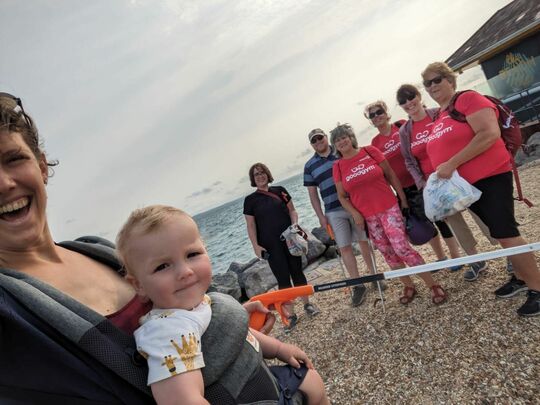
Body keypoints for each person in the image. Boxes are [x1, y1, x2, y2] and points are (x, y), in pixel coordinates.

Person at [0, 93, 297, 403]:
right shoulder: (9, 308)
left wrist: (218, 320)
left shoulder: (95, 249)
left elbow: (169, 324)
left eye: (14, 159)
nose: (4, 183)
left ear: (42, 166)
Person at [116, 205, 330, 405]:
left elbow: (237, 334)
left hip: (257, 376)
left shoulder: (194, 305)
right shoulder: (169, 331)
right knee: (314, 386)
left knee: (312, 380)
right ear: (139, 286)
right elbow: (183, 398)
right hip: (248, 396)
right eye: (162, 266)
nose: (185, 272)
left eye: (192, 254)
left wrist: (279, 349)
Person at [421, 61, 540, 316]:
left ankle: (537, 288)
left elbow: (488, 133)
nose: (432, 86)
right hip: (469, 186)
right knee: (500, 233)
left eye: (436, 80)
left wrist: (451, 163)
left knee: (507, 233)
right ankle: (520, 278)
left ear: (449, 79)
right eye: (427, 83)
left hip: (491, 176)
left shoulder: (467, 99)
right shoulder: (442, 113)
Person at [330, 123, 447, 305]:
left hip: (389, 207)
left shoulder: (369, 151)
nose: (342, 141)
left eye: (344, 137)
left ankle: (432, 284)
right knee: (388, 253)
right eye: (337, 140)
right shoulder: (338, 166)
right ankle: (408, 285)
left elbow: (391, 175)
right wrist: (355, 214)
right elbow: (342, 196)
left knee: (401, 248)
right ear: (335, 146)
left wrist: (403, 200)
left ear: (351, 137)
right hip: (368, 217)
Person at [395, 84, 497, 280]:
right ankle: (476, 260)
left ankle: (505, 251)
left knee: (481, 213)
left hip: (457, 174)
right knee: (456, 223)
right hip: (435, 184)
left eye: (411, 97)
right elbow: (409, 160)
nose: (409, 103)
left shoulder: (438, 114)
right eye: (403, 101)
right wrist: (422, 184)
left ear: (419, 96)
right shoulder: (405, 131)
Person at [304, 128, 378, 307]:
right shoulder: (309, 165)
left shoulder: (340, 152)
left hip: (354, 204)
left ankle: (374, 276)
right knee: (344, 247)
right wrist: (320, 216)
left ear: (326, 138)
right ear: (312, 144)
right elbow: (313, 194)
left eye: (320, 137)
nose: (318, 142)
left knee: (363, 242)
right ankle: (357, 284)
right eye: (314, 140)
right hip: (333, 210)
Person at [244, 163, 320, 331]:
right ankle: (291, 315)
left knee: (298, 272)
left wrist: (294, 225)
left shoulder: (280, 191)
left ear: (268, 174)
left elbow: (292, 211)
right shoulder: (250, 201)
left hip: (290, 240)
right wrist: (256, 246)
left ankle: (308, 305)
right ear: (253, 179)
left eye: (262, 172)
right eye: (256, 174)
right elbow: (250, 225)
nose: (260, 176)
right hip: (270, 246)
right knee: (283, 279)